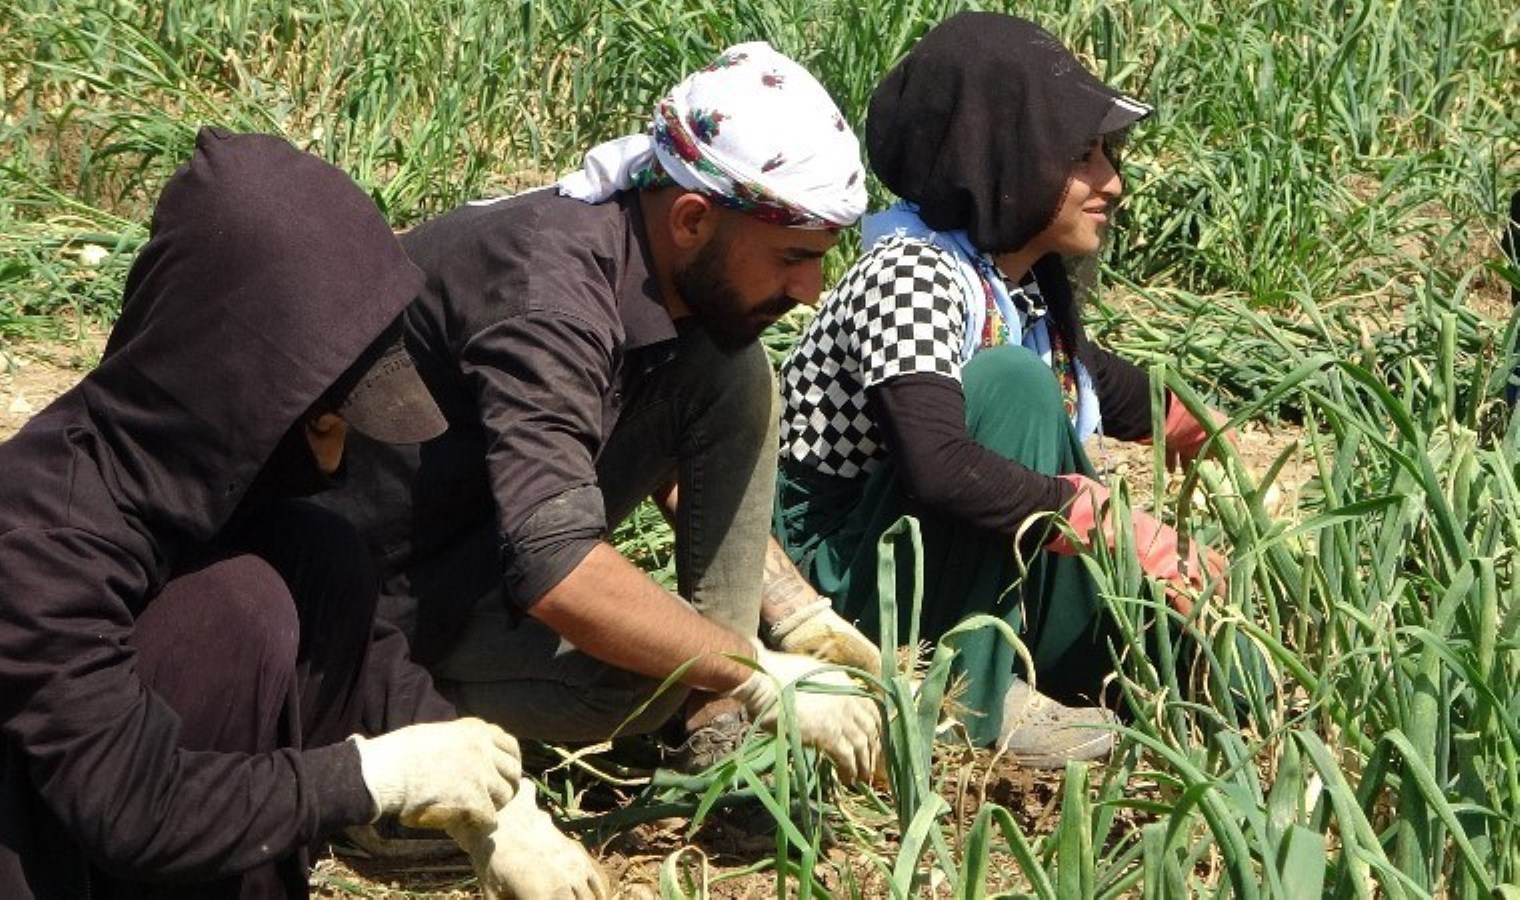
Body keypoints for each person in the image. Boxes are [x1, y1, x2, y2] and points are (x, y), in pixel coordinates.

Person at [0, 130, 606, 899]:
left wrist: (495, 803)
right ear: (239, 397)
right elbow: (134, 806)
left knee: (318, 548)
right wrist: (368, 779)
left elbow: (361, 647)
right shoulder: (39, 540)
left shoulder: (189, 481)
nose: (336, 458)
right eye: (324, 422)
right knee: (241, 606)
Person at [319, 43, 882, 781]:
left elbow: (655, 440)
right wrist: (752, 673)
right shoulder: (550, 303)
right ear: (691, 218)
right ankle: (388, 719)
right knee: (644, 679)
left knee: (731, 369)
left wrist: (794, 611)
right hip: (380, 611)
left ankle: (718, 721)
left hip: (476, 542)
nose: (810, 290)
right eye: (791, 257)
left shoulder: (639, 251)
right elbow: (555, 566)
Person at [773, 13, 1231, 763]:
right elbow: (941, 466)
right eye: (1082, 156)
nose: (1111, 182)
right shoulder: (909, 272)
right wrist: (1103, 519)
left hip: (947, 557)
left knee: (1206, 663)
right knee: (1013, 386)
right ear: (1003, 157)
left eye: (1106, 154)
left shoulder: (1008, 286)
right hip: (848, 573)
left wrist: (1186, 421)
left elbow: (1093, 378)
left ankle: (1045, 662)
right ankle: (964, 697)